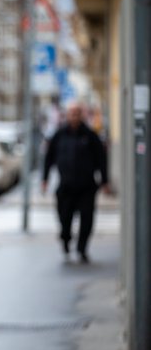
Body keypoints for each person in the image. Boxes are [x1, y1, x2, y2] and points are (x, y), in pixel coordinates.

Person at [41, 102, 110, 263]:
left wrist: (105, 181)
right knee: (64, 218)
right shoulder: (59, 135)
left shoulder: (91, 135)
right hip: (66, 186)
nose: (74, 116)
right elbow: (48, 158)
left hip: (86, 186)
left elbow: (101, 159)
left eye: (77, 113)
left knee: (87, 220)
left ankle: (82, 249)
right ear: (67, 115)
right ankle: (66, 240)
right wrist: (44, 179)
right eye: (72, 113)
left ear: (82, 115)